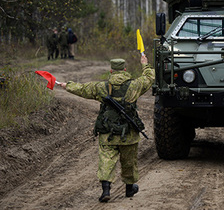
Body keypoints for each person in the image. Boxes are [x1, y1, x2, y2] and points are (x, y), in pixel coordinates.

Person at [59, 55, 155, 202]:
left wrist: (66, 85)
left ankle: (106, 190)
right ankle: (129, 189)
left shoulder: (101, 87)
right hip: (128, 132)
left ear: (111, 71)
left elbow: (83, 89)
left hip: (107, 132)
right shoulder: (135, 85)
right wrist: (145, 64)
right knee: (129, 161)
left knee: (106, 159)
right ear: (124, 69)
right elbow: (149, 78)